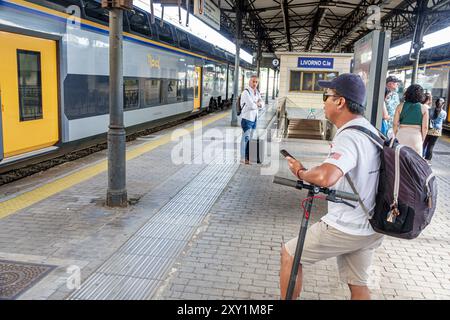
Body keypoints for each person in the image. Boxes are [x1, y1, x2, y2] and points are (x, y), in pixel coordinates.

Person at [280, 73, 384, 300]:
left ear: (340, 101)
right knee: (358, 285)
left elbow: (327, 177)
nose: (324, 102)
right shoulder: (371, 130)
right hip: (370, 225)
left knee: (290, 254)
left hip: (346, 226)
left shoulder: (349, 136)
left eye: (326, 96)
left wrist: (300, 171)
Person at [393, 84, 429, 156]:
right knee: (415, 162)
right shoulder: (424, 108)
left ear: (407, 93)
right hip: (416, 137)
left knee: (400, 160)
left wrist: (396, 134)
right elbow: (425, 127)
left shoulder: (400, 106)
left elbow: (395, 124)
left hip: (401, 135)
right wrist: (422, 139)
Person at [240, 75, 264, 164]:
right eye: (253, 81)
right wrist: (257, 104)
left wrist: (258, 104)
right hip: (247, 119)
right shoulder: (246, 93)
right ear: (249, 82)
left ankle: (247, 158)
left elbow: (262, 103)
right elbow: (252, 105)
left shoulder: (256, 92)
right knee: (245, 138)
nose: (254, 83)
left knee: (250, 139)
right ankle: (243, 158)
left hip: (254, 119)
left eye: (256, 82)